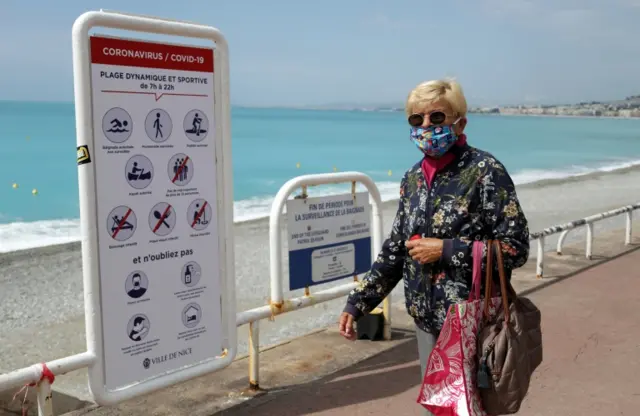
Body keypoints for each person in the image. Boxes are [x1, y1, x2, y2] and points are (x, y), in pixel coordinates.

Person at [338, 78, 530, 415]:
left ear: (460, 122)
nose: (427, 126)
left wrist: (445, 250)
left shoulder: (485, 171)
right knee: (441, 411)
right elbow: (396, 249)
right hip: (426, 324)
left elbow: (516, 247)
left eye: (437, 118)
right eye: (417, 119)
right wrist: (358, 303)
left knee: (476, 410)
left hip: (474, 323)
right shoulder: (411, 179)